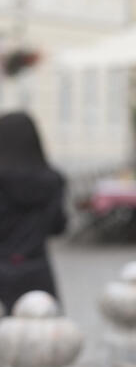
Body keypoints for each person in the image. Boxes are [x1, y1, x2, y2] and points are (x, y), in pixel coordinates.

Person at [0, 111, 67, 315]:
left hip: (2, 269)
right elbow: (59, 226)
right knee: (42, 339)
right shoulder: (53, 180)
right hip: (37, 270)